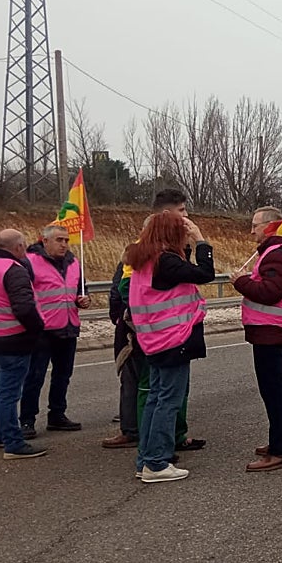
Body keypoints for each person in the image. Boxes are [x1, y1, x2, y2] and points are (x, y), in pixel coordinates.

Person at [102, 189, 203, 452]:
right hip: (160, 334)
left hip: (166, 332)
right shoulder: (146, 252)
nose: (187, 216)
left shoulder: (168, 252)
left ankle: (170, 439)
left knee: (168, 393)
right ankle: (154, 450)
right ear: (167, 216)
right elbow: (125, 289)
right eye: (182, 211)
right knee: (155, 393)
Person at [125, 211, 215, 483]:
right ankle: (156, 462)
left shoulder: (143, 260)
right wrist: (201, 241)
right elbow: (205, 274)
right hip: (173, 339)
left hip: (153, 339)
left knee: (155, 398)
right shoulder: (167, 261)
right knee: (168, 402)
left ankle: (146, 459)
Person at [230, 206, 282, 472]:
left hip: (271, 329)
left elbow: (270, 292)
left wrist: (240, 282)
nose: (252, 230)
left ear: (272, 225)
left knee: (274, 391)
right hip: (276, 328)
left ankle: (280, 449)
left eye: (256, 225)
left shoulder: (278, 253)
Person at [0, 229, 48, 460]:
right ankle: (13, 443)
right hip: (14, 340)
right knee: (8, 394)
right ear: (19, 247)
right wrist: (37, 329)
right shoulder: (14, 270)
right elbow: (24, 308)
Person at [20, 223, 91, 439]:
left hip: (68, 327)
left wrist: (83, 300)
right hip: (42, 331)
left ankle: (57, 414)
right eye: (59, 240)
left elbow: (81, 289)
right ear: (45, 241)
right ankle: (26, 420)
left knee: (63, 375)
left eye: (66, 240)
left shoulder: (74, 263)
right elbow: (22, 294)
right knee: (35, 377)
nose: (64, 244)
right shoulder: (30, 262)